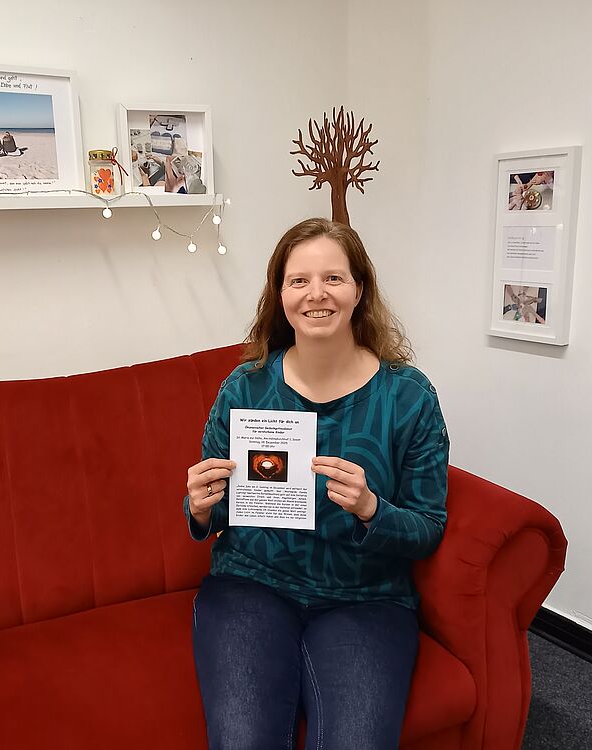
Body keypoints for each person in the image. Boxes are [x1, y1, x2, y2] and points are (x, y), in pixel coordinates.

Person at [184, 217, 450, 749]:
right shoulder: (247, 386)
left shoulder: (409, 397)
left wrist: (374, 509)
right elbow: (218, 509)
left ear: (359, 290)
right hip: (250, 585)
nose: (316, 294)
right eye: (299, 280)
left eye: (333, 278)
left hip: (366, 598)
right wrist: (200, 509)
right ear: (279, 295)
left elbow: (429, 528)